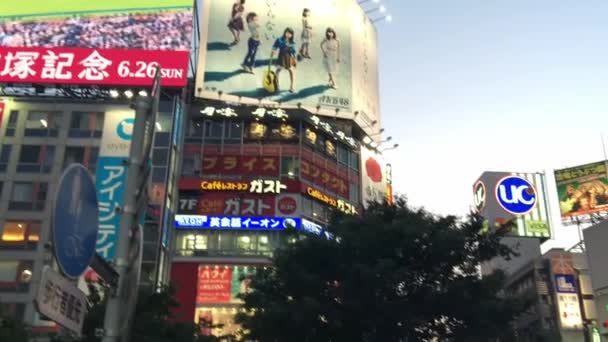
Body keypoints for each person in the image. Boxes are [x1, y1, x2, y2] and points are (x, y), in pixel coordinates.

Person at [271, 27, 297, 93]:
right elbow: (275, 46)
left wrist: (294, 60)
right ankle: (277, 85)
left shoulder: (293, 42)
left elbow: (294, 52)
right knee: (278, 70)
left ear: (292, 35)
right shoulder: (279, 39)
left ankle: (292, 86)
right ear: (285, 32)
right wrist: (273, 51)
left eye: (290, 34)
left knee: (291, 71)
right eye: (287, 33)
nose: (288, 35)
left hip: (289, 58)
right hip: (281, 57)